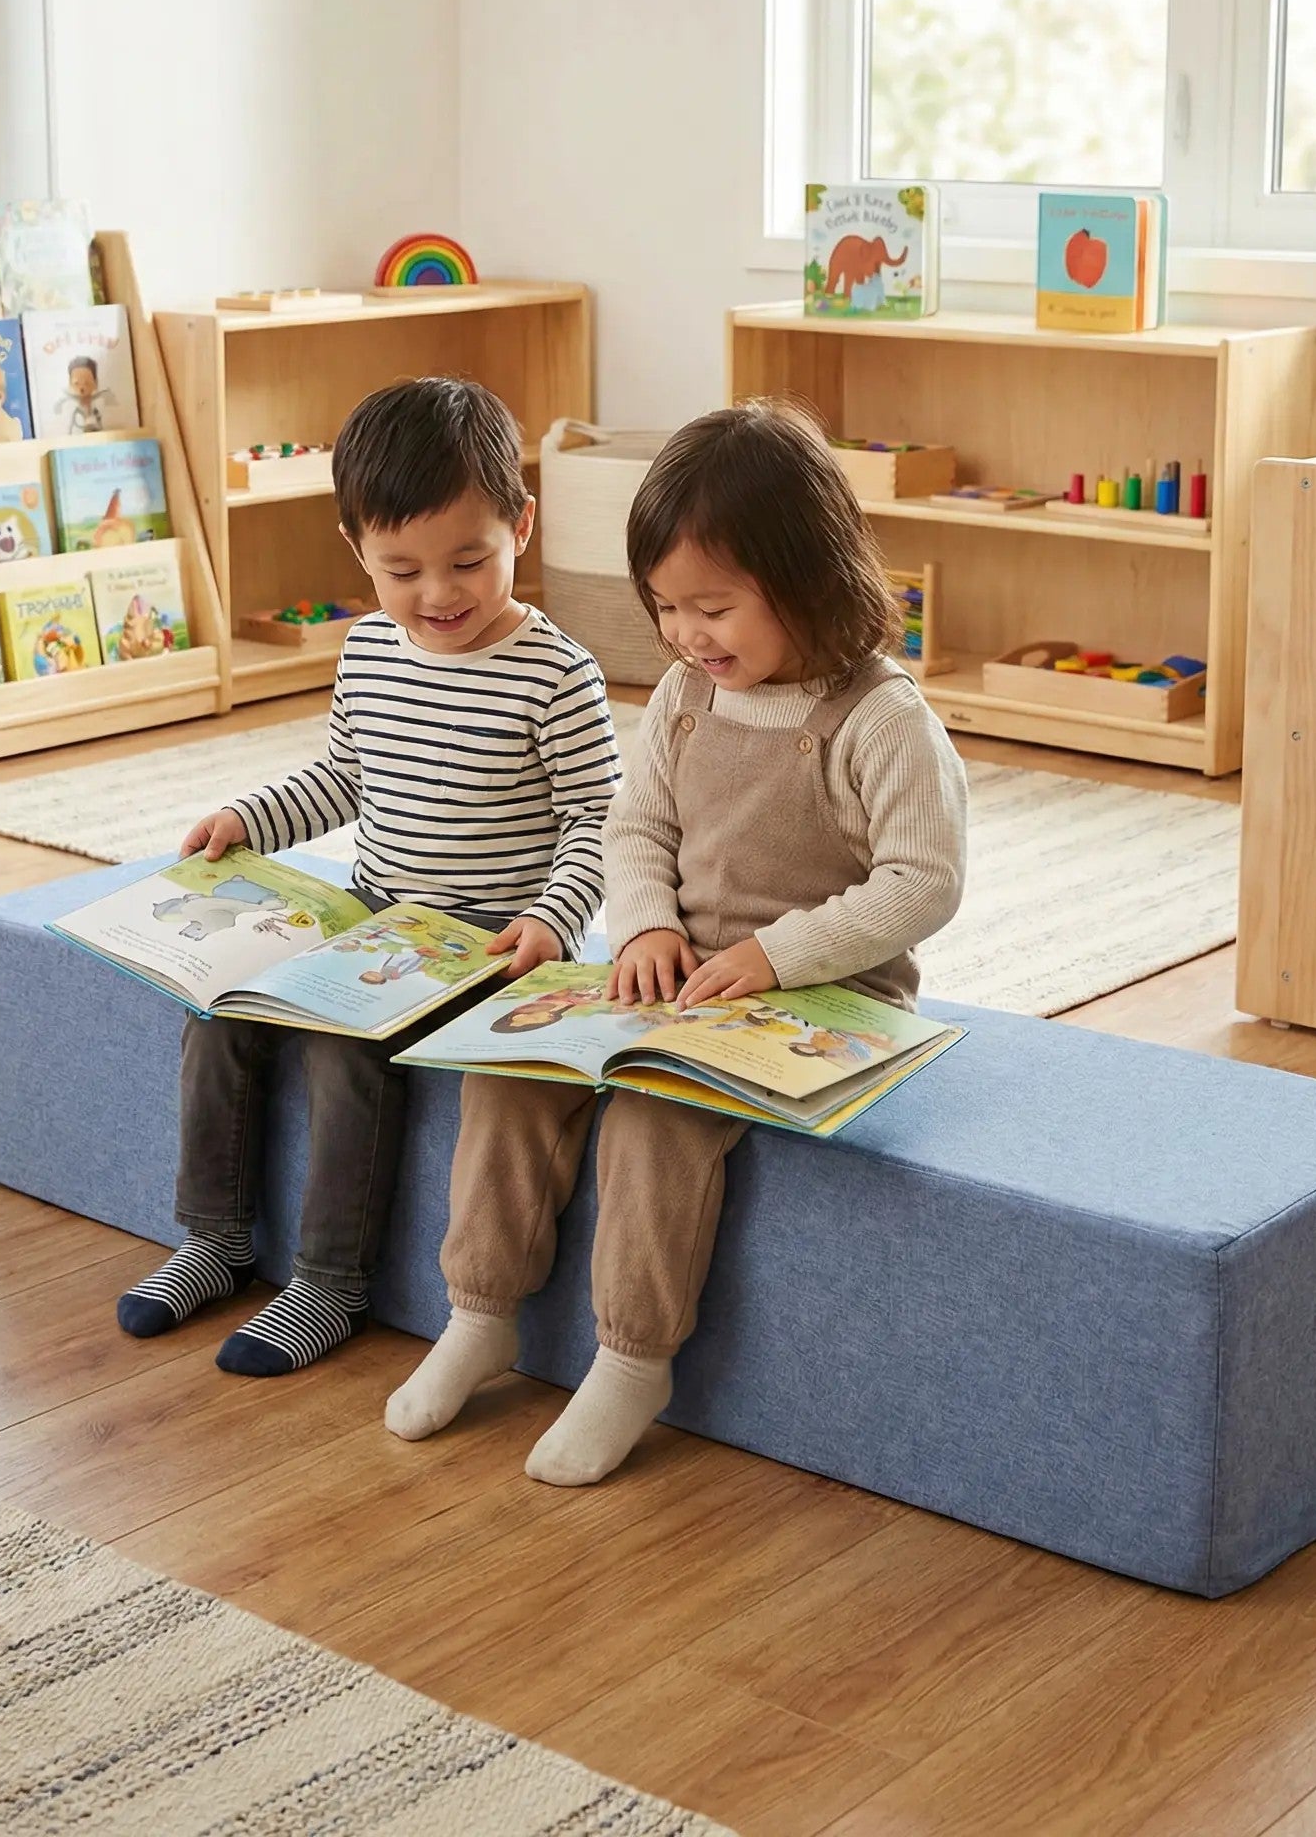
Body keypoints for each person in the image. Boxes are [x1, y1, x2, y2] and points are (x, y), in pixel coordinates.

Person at [386, 399, 966, 1480]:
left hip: (816, 996)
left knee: (657, 1114)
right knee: (506, 1070)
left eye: (715, 606)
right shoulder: (687, 693)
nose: (690, 634)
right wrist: (645, 919)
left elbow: (920, 884)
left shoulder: (880, 719)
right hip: (678, 976)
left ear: (809, 575)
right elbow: (634, 823)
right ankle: (480, 1308)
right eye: (666, 607)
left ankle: (630, 1357)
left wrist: (774, 956)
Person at [116, 377, 619, 1374]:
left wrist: (553, 920)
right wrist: (246, 818)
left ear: (521, 523)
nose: (438, 595)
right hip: (372, 910)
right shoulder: (367, 652)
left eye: (469, 561)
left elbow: (599, 818)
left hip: (482, 936)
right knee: (220, 1007)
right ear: (356, 549)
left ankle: (328, 1282)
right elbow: (345, 773)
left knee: (342, 1045)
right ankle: (213, 1238)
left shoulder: (557, 673)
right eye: (401, 569)